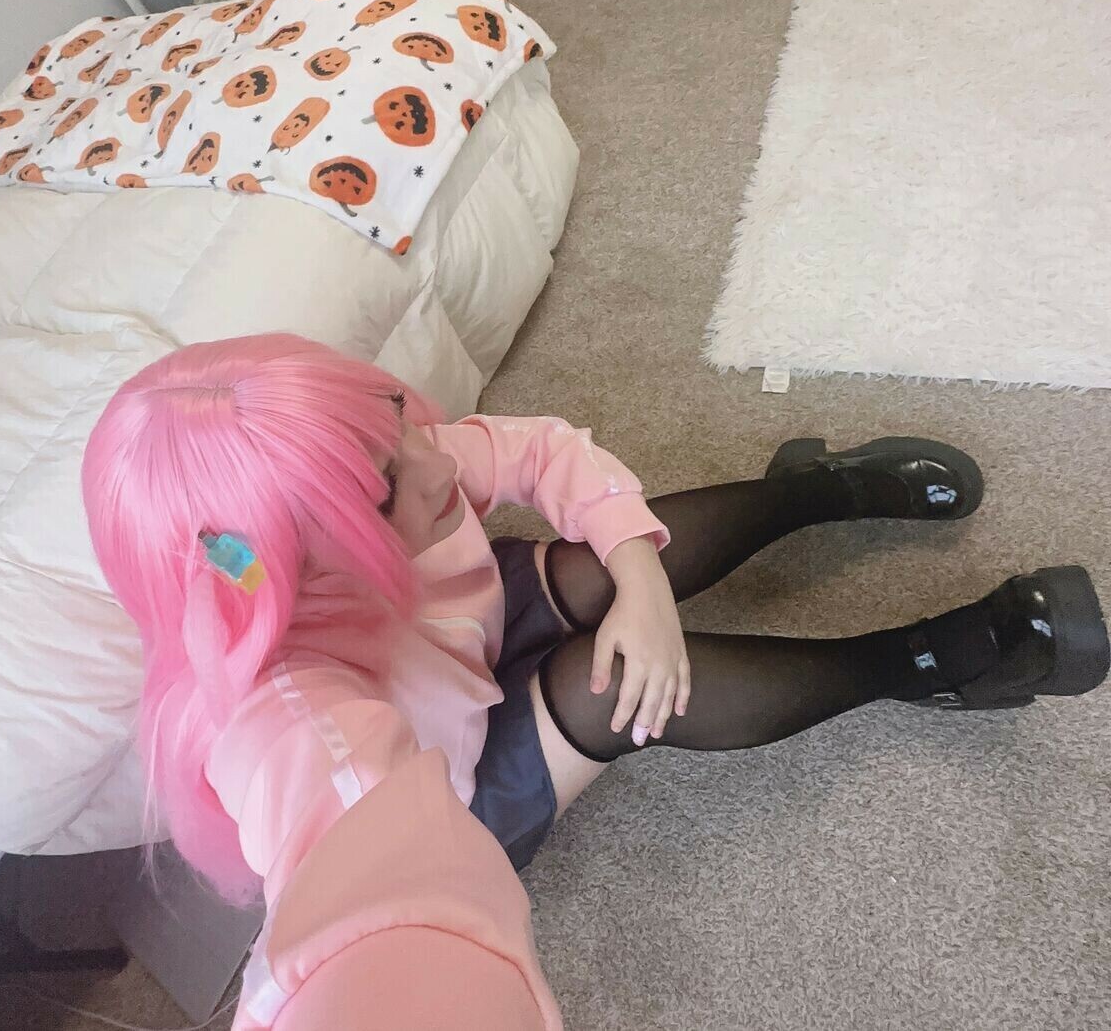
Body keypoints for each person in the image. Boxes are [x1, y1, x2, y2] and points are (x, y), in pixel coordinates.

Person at [81, 333, 1108, 1028]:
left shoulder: (398, 475)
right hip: (454, 786)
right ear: (295, 565)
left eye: (396, 416)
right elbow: (363, 891)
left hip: (464, 627)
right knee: (612, 685)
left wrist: (640, 580)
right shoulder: (284, 717)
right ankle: (919, 661)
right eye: (389, 486)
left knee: (602, 566)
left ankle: (813, 486)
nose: (436, 464)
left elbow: (539, 451)